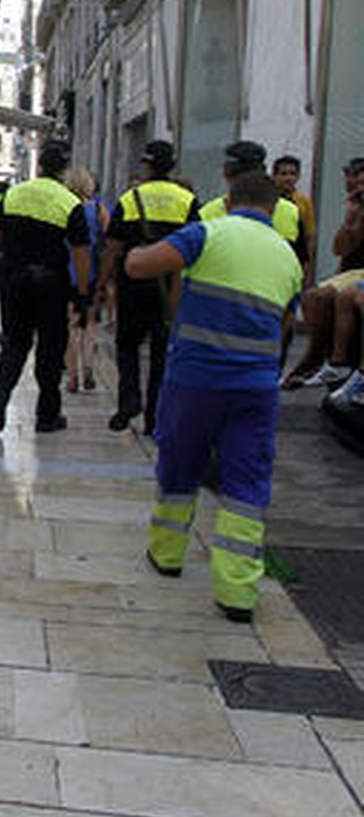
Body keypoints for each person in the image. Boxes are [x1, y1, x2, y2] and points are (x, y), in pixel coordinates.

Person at [125, 172, 303, 623]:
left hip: (196, 379)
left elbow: (141, 266)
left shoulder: (209, 232)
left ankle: (166, 554)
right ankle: (238, 592)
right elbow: (285, 324)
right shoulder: (288, 256)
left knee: (181, 462)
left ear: (228, 201)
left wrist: (134, 251)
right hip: (256, 388)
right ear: (273, 208)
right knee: (246, 481)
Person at [0, 139, 92, 433]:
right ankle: (47, 414)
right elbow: (81, 252)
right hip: (51, 283)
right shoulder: (69, 202)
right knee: (51, 347)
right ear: (64, 170)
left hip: (13, 278)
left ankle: (0, 393)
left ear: (40, 164)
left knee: (14, 343)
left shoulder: (15, 193)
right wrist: (82, 293)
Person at [101, 140, 198, 433]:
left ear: (146, 164)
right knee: (161, 351)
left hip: (134, 281)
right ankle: (154, 416)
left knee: (127, 343)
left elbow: (113, 246)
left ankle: (129, 398)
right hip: (169, 285)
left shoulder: (131, 198)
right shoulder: (187, 200)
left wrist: (103, 283)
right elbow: (197, 245)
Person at [283, 157, 364, 389]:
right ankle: (319, 357)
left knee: (344, 296)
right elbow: (340, 249)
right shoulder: (355, 207)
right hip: (353, 272)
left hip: (358, 278)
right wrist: (351, 222)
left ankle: (335, 362)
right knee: (314, 297)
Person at [200, 141, 308, 267]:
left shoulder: (206, 213)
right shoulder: (290, 212)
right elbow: (301, 263)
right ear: (263, 173)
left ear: (225, 174)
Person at [62, 170, 109, 394]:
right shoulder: (98, 208)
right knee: (89, 324)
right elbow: (108, 237)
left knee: (71, 325)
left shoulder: (62, 206)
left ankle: (72, 376)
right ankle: (88, 369)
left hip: (66, 271)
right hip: (91, 271)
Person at [272, 155, 316, 284]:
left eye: (292, 173)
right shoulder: (268, 200)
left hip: (295, 257)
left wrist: (307, 265)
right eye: (283, 174)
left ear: (298, 176)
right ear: (275, 176)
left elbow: (309, 236)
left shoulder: (303, 202)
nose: (288, 178)